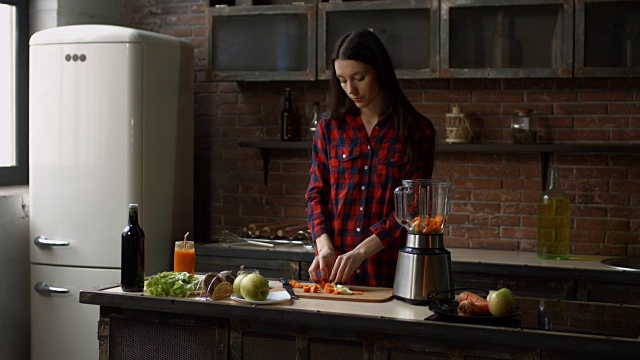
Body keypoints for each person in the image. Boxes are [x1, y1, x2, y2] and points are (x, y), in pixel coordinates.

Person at [305, 29, 436, 288]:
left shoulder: (416, 130)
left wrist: (361, 252)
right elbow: (316, 195)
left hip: (392, 274)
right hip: (335, 276)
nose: (350, 89)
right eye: (342, 80)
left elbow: (412, 208)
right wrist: (324, 246)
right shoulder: (329, 128)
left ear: (380, 71)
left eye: (359, 78)